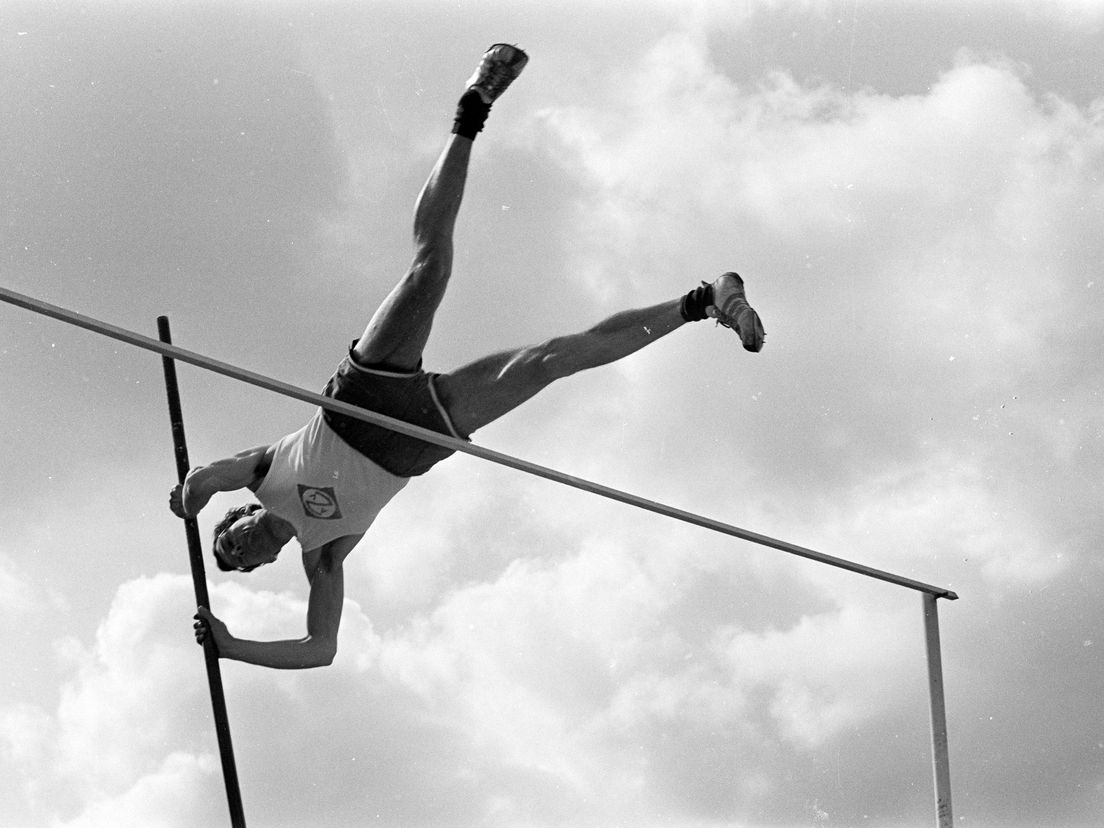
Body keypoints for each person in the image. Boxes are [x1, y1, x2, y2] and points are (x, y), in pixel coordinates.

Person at [169, 44, 764, 669]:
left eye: (229, 541)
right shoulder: (322, 559)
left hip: (362, 396)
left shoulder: (258, 476)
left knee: (430, 268)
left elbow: (206, 481)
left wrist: (193, 495)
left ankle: (471, 110)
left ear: (239, 518)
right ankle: (702, 302)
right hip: (414, 437)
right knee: (547, 362)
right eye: (241, 561)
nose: (239, 550)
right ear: (265, 564)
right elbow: (321, 650)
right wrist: (233, 647)